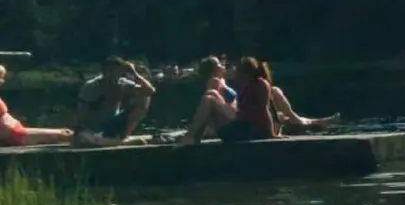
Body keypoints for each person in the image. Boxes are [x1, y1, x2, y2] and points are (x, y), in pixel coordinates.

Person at [184, 57, 338, 144]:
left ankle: (310, 122)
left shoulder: (236, 81)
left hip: (242, 117)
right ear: (213, 68)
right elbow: (212, 109)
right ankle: (306, 123)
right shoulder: (215, 82)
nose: (224, 64)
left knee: (276, 97)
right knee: (211, 95)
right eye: (219, 63)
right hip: (233, 118)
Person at [74, 57, 156, 146]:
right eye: (109, 71)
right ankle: (122, 142)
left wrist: (134, 73)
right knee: (83, 138)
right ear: (103, 71)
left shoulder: (123, 84)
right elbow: (82, 115)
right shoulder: (90, 87)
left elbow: (149, 91)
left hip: (111, 126)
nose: (112, 74)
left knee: (144, 98)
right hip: (92, 129)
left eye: (116, 71)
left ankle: (123, 137)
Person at [0, 64, 74, 147]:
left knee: (64, 132)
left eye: (2, 78)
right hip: (14, 135)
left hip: (17, 131)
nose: (2, 81)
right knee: (65, 136)